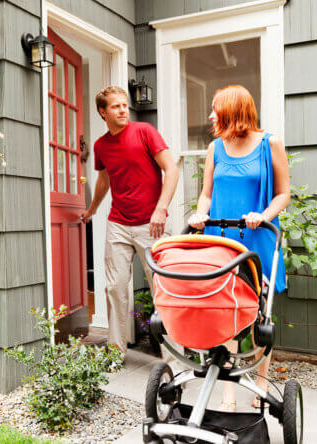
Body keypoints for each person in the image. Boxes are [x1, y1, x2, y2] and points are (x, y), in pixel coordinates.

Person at [188, 85, 290, 411]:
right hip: (222, 237)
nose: (210, 115)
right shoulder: (215, 148)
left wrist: (264, 215)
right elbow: (206, 193)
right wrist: (200, 213)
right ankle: (229, 393)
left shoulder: (269, 144)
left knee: (261, 314)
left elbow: (283, 194)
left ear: (233, 111)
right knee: (225, 310)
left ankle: (260, 384)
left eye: (215, 109)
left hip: (257, 237)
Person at [81, 86, 179, 356]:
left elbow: (171, 169)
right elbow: (104, 180)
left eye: (124, 105)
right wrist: (92, 209)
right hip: (118, 224)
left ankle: (174, 357)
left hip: (152, 224)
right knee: (114, 287)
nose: (123, 110)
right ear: (103, 112)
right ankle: (116, 352)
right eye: (116, 106)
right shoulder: (101, 146)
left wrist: (161, 208)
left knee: (163, 287)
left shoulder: (145, 132)